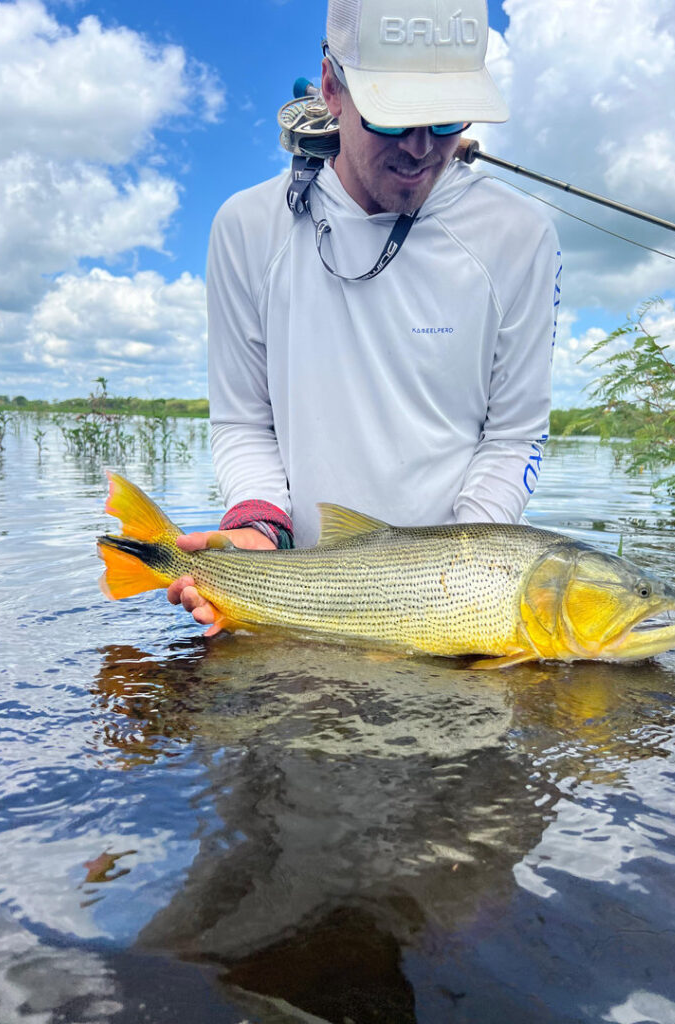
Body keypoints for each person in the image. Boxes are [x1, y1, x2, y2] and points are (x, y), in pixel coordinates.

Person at [168, 0, 561, 633]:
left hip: (456, 607)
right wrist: (259, 524)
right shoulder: (246, 228)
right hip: (296, 602)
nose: (418, 148)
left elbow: (514, 435)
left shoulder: (522, 236)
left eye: (444, 121)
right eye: (392, 117)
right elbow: (243, 418)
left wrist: (455, 587)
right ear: (332, 89)